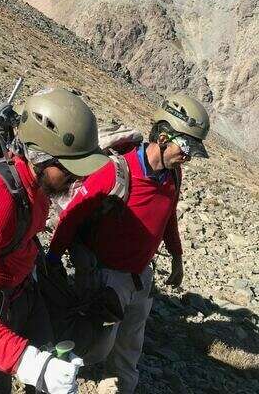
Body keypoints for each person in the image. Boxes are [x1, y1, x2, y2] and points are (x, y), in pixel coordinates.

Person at [0, 88, 111, 394]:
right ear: (39, 155)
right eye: (68, 169)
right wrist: (26, 361)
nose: (77, 179)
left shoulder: (35, 187)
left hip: (24, 295)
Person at [47, 94, 210, 393]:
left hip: (140, 276)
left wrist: (177, 256)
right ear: (163, 138)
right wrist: (52, 260)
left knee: (130, 345)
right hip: (106, 276)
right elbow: (72, 216)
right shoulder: (116, 171)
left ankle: (123, 387)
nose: (187, 157)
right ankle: (53, 375)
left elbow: (167, 215)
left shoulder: (173, 174)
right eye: (186, 148)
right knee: (95, 345)